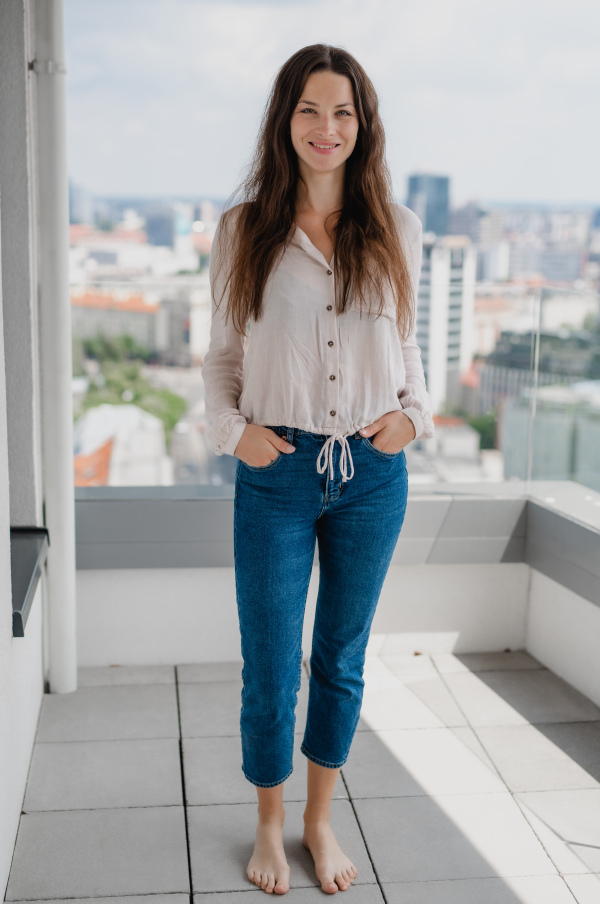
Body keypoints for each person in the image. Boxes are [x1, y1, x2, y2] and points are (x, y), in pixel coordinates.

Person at [201, 43, 434, 896]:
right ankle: (269, 822)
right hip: (278, 473)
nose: (325, 127)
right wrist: (237, 435)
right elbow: (222, 360)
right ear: (285, 120)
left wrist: (412, 419)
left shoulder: (399, 228)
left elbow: (407, 349)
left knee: (340, 655)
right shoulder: (243, 230)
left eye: (342, 112)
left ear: (362, 124)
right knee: (269, 660)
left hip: (372, 476)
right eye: (309, 110)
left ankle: (318, 819)